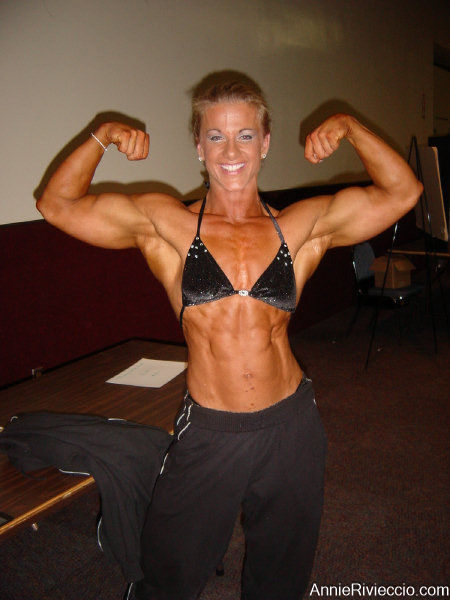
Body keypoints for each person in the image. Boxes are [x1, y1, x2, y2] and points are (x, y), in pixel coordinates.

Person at [37, 77, 422, 600]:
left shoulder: (300, 226)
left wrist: (350, 127)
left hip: (291, 427)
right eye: (215, 136)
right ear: (199, 146)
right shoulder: (168, 223)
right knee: (169, 573)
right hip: (210, 430)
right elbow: (56, 204)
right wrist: (102, 135)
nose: (231, 151)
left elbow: (403, 192)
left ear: (265, 143)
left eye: (245, 135)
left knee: (281, 575)